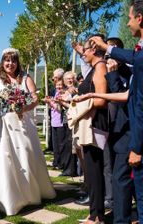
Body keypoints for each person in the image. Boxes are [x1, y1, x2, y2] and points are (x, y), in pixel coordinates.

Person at [0, 48, 56, 216]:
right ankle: (5, 195)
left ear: (17, 62)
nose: (10, 64)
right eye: (7, 60)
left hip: (22, 122)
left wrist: (23, 107)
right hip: (2, 122)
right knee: (4, 157)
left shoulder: (26, 77)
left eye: (13, 61)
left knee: (26, 154)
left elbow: (35, 98)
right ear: (2, 61)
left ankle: (29, 194)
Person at [88, 0, 143, 222]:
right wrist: (94, 94)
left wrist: (137, 147)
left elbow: (138, 104)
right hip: (130, 135)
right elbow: (130, 93)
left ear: (140, 18)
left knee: (134, 191)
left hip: (133, 136)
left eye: (130, 18)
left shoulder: (134, 62)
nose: (128, 23)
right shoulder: (137, 56)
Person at [71, 34, 108, 224]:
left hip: (96, 125)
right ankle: (93, 213)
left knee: (95, 170)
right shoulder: (93, 69)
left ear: (93, 49)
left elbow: (101, 99)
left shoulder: (100, 68)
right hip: (89, 125)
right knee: (91, 171)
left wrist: (83, 100)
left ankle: (98, 216)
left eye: (84, 50)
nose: (83, 53)